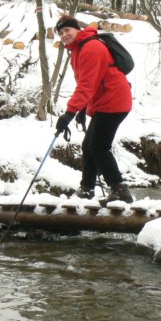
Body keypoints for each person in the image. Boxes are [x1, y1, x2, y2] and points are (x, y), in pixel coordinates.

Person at [54, 14, 133, 204]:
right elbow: (88, 83)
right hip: (104, 102)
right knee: (89, 146)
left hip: (114, 101)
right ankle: (87, 189)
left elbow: (86, 86)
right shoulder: (78, 50)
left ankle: (120, 190)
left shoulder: (90, 48)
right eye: (61, 32)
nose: (64, 35)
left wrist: (69, 113)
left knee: (98, 146)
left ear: (77, 29)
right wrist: (81, 110)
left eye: (67, 30)